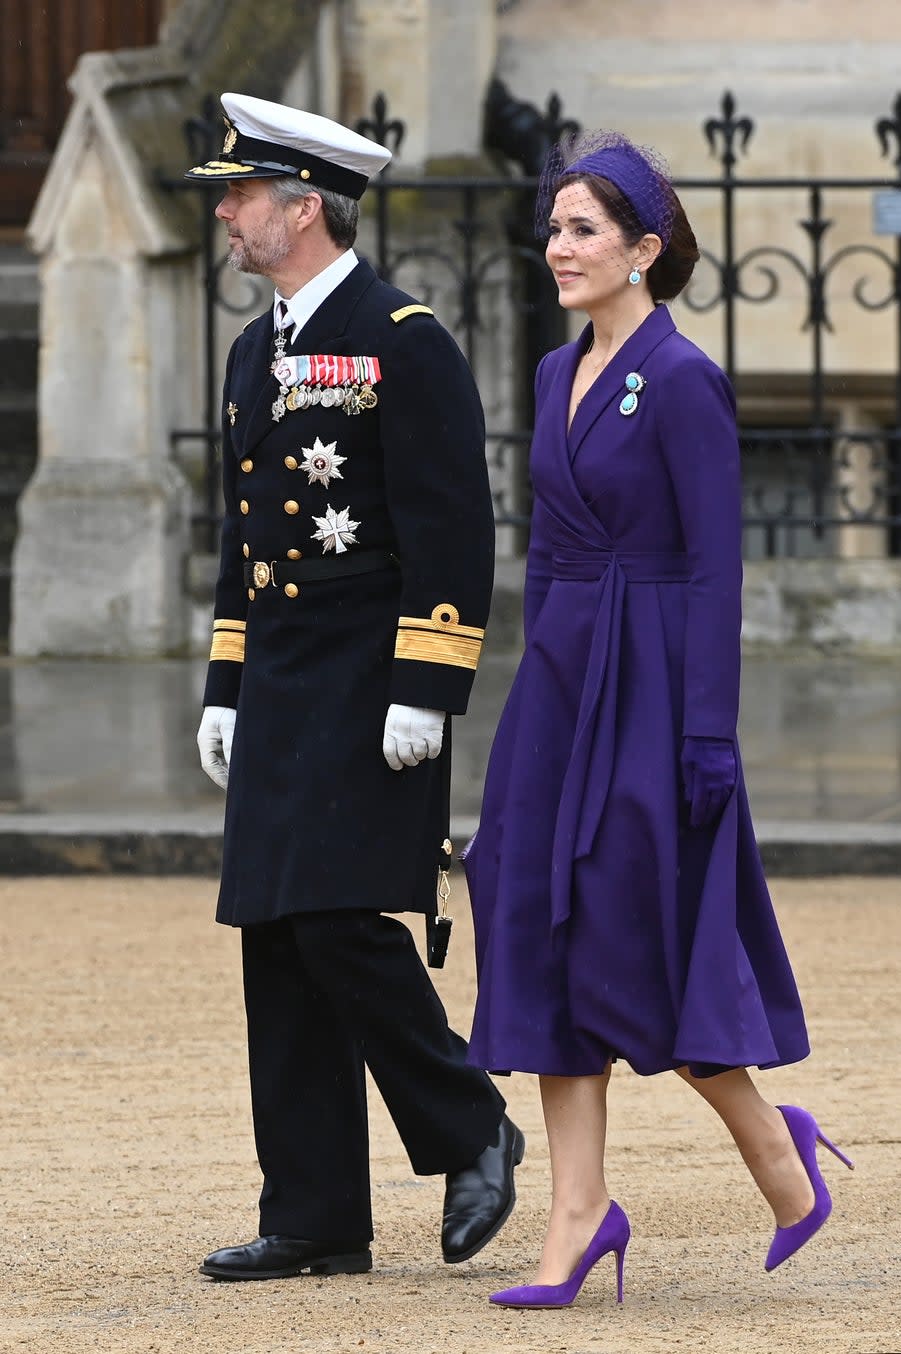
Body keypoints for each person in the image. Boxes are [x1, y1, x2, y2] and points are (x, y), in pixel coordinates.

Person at [462, 131, 853, 1309]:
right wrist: (536, 681)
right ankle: (578, 1212)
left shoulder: (683, 379)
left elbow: (716, 568)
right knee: (526, 915)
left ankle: (775, 1148)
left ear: (643, 250)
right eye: (553, 227)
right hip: (561, 685)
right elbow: (543, 552)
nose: (559, 248)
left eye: (583, 229)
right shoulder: (547, 373)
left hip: (655, 690)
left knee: (643, 929)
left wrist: (704, 732)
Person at [186, 92, 523, 1282]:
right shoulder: (251, 348)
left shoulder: (405, 335)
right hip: (279, 681)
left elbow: (451, 528)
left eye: (239, 193)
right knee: (274, 937)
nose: (224, 213)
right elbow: (242, 540)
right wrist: (224, 680)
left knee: (338, 918)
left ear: (303, 205)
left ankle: (471, 1119)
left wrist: (427, 683)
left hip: (371, 679)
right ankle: (317, 1212)